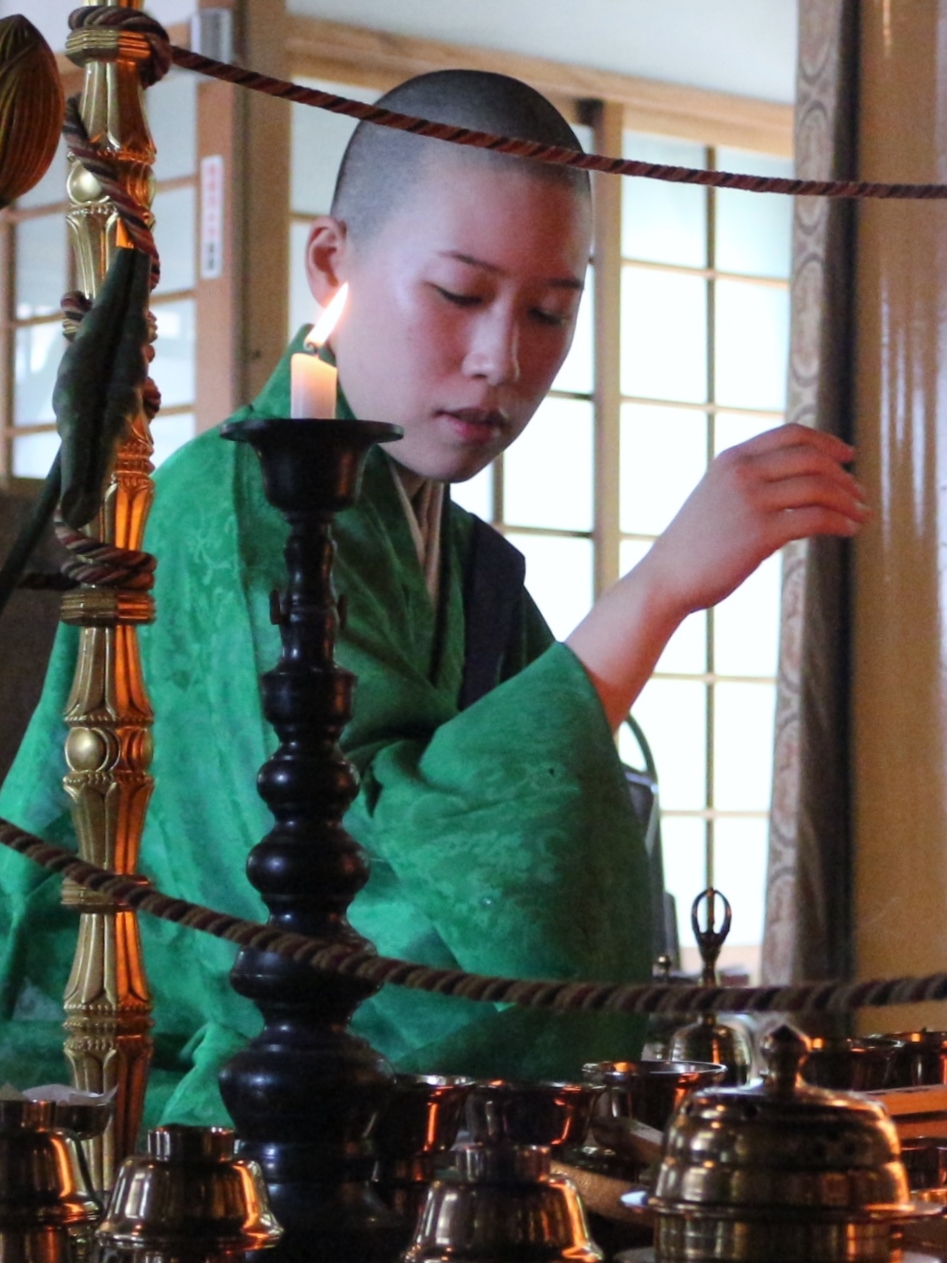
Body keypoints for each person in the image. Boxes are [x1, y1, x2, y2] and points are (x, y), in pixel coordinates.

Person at [0, 71, 866, 1125]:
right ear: (334, 263)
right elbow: (375, 935)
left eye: (550, 312)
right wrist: (652, 595)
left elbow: (562, 900)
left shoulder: (457, 556)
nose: (501, 358)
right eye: (459, 295)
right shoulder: (219, 522)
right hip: (171, 1130)